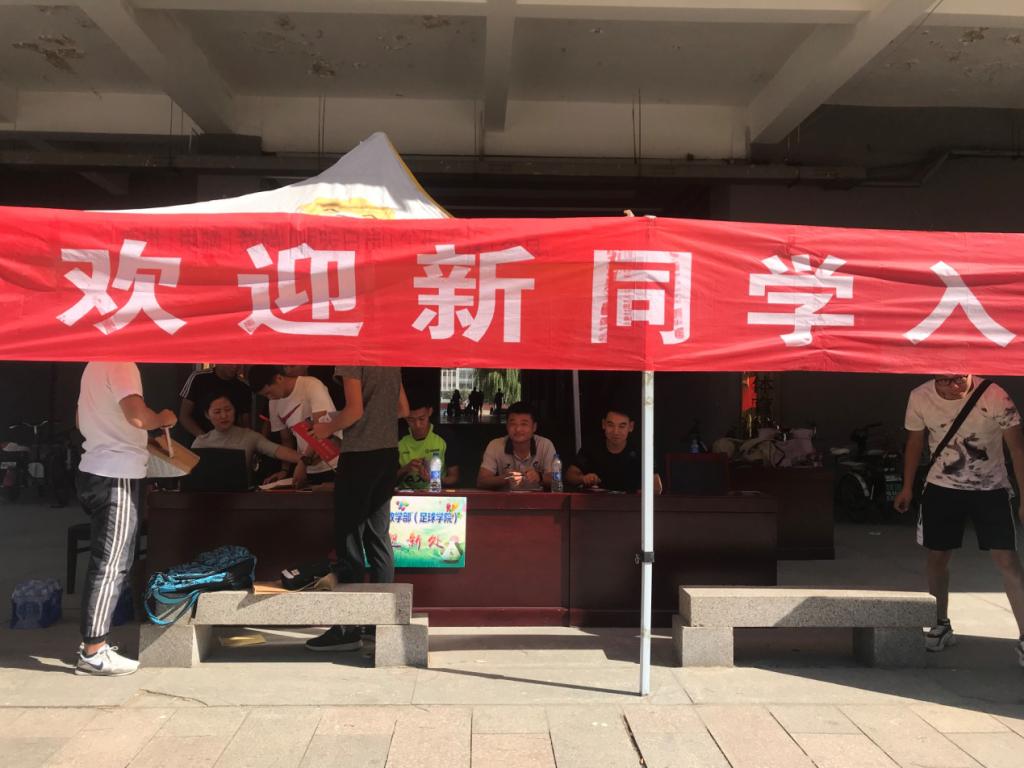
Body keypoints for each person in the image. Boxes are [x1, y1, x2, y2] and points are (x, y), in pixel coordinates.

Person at [894, 373, 1024, 666]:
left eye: (959, 379)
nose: (953, 387)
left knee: (1007, 560)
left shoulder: (994, 394)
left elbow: (1017, 448)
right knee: (937, 556)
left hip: (991, 488)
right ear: (934, 378)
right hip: (941, 487)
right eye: (944, 381)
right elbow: (915, 442)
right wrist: (907, 486)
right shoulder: (920, 396)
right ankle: (940, 622)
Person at [75, 362, 176, 676]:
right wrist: (163, 418)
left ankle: (95, 644)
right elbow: (138, 417)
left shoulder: (94, 364)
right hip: (116, 473)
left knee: (109, 559)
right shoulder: (121, 362)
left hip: (96, 466)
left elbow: (79, 419)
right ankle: (93, 652)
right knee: (112, 562)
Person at [306, 366, 408, 651]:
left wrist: (325, 428)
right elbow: (403, 409)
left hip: (360, 454)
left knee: (349, 538)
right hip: (388, 453)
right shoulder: (390, 359)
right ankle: (379, 623)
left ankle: (347, 628)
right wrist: (377, 420)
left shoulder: (352, 355)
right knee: (378, 537)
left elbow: (354, 411)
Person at [248, 365, 340, 487]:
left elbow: (320, 428)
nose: (270, 397)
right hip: (308, 467)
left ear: (279, 378)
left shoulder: (312, 385)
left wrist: (303, 463)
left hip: (334, 462)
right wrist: (284, 470)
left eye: (269, 392)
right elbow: (286, 440)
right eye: (265, 395)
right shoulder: (274, 403)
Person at [191, 393, 304, 481]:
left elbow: (277, 450)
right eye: (217, 412)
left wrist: (305, 459)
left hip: (242, 498)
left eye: (228, 410)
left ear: (235, 410)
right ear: (207, 414)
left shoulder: (249, 436)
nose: (224, 415)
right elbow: (191, 476)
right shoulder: (201, 442)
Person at [566, 408, 663, 494]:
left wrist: (640, 494)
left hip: (631, 505)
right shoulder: (592, 447)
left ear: (631, 427)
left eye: (622, 426)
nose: (615, 432)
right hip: (596, 504)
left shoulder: (642, 450)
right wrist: (583, 478)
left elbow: (657, 487)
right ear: (603, 424)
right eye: (610, 425)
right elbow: (570, 475)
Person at [477, 401, 557, 491]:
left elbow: (556, 480)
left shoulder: (545, 445)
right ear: (507, 426)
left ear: (534, 427)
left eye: (524, 424)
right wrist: (506, 478)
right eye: (513, 424)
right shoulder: (495, 445)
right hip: (506, 498)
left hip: (538, 497)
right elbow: (481, 481)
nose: (518, 429)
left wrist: (540, 477)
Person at [397, 397, 459, 490]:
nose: (417, 425)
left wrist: (434, 480)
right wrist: (406, 468)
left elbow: (454, 477)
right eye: (411, 420)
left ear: (430, 412)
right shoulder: (398, 438)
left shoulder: (445, 436)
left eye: (421, 419)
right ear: (404, 416)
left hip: (436, 492)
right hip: (406, 495)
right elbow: (387, 478)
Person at [179, 364, 251, 438]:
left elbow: (244, 423)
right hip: (199, 440)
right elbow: (184, 415)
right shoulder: (198, 378)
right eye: (230, 362)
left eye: (238, 362)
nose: (235, 366)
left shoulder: (243, 386)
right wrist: (204, 437)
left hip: (231, 441)